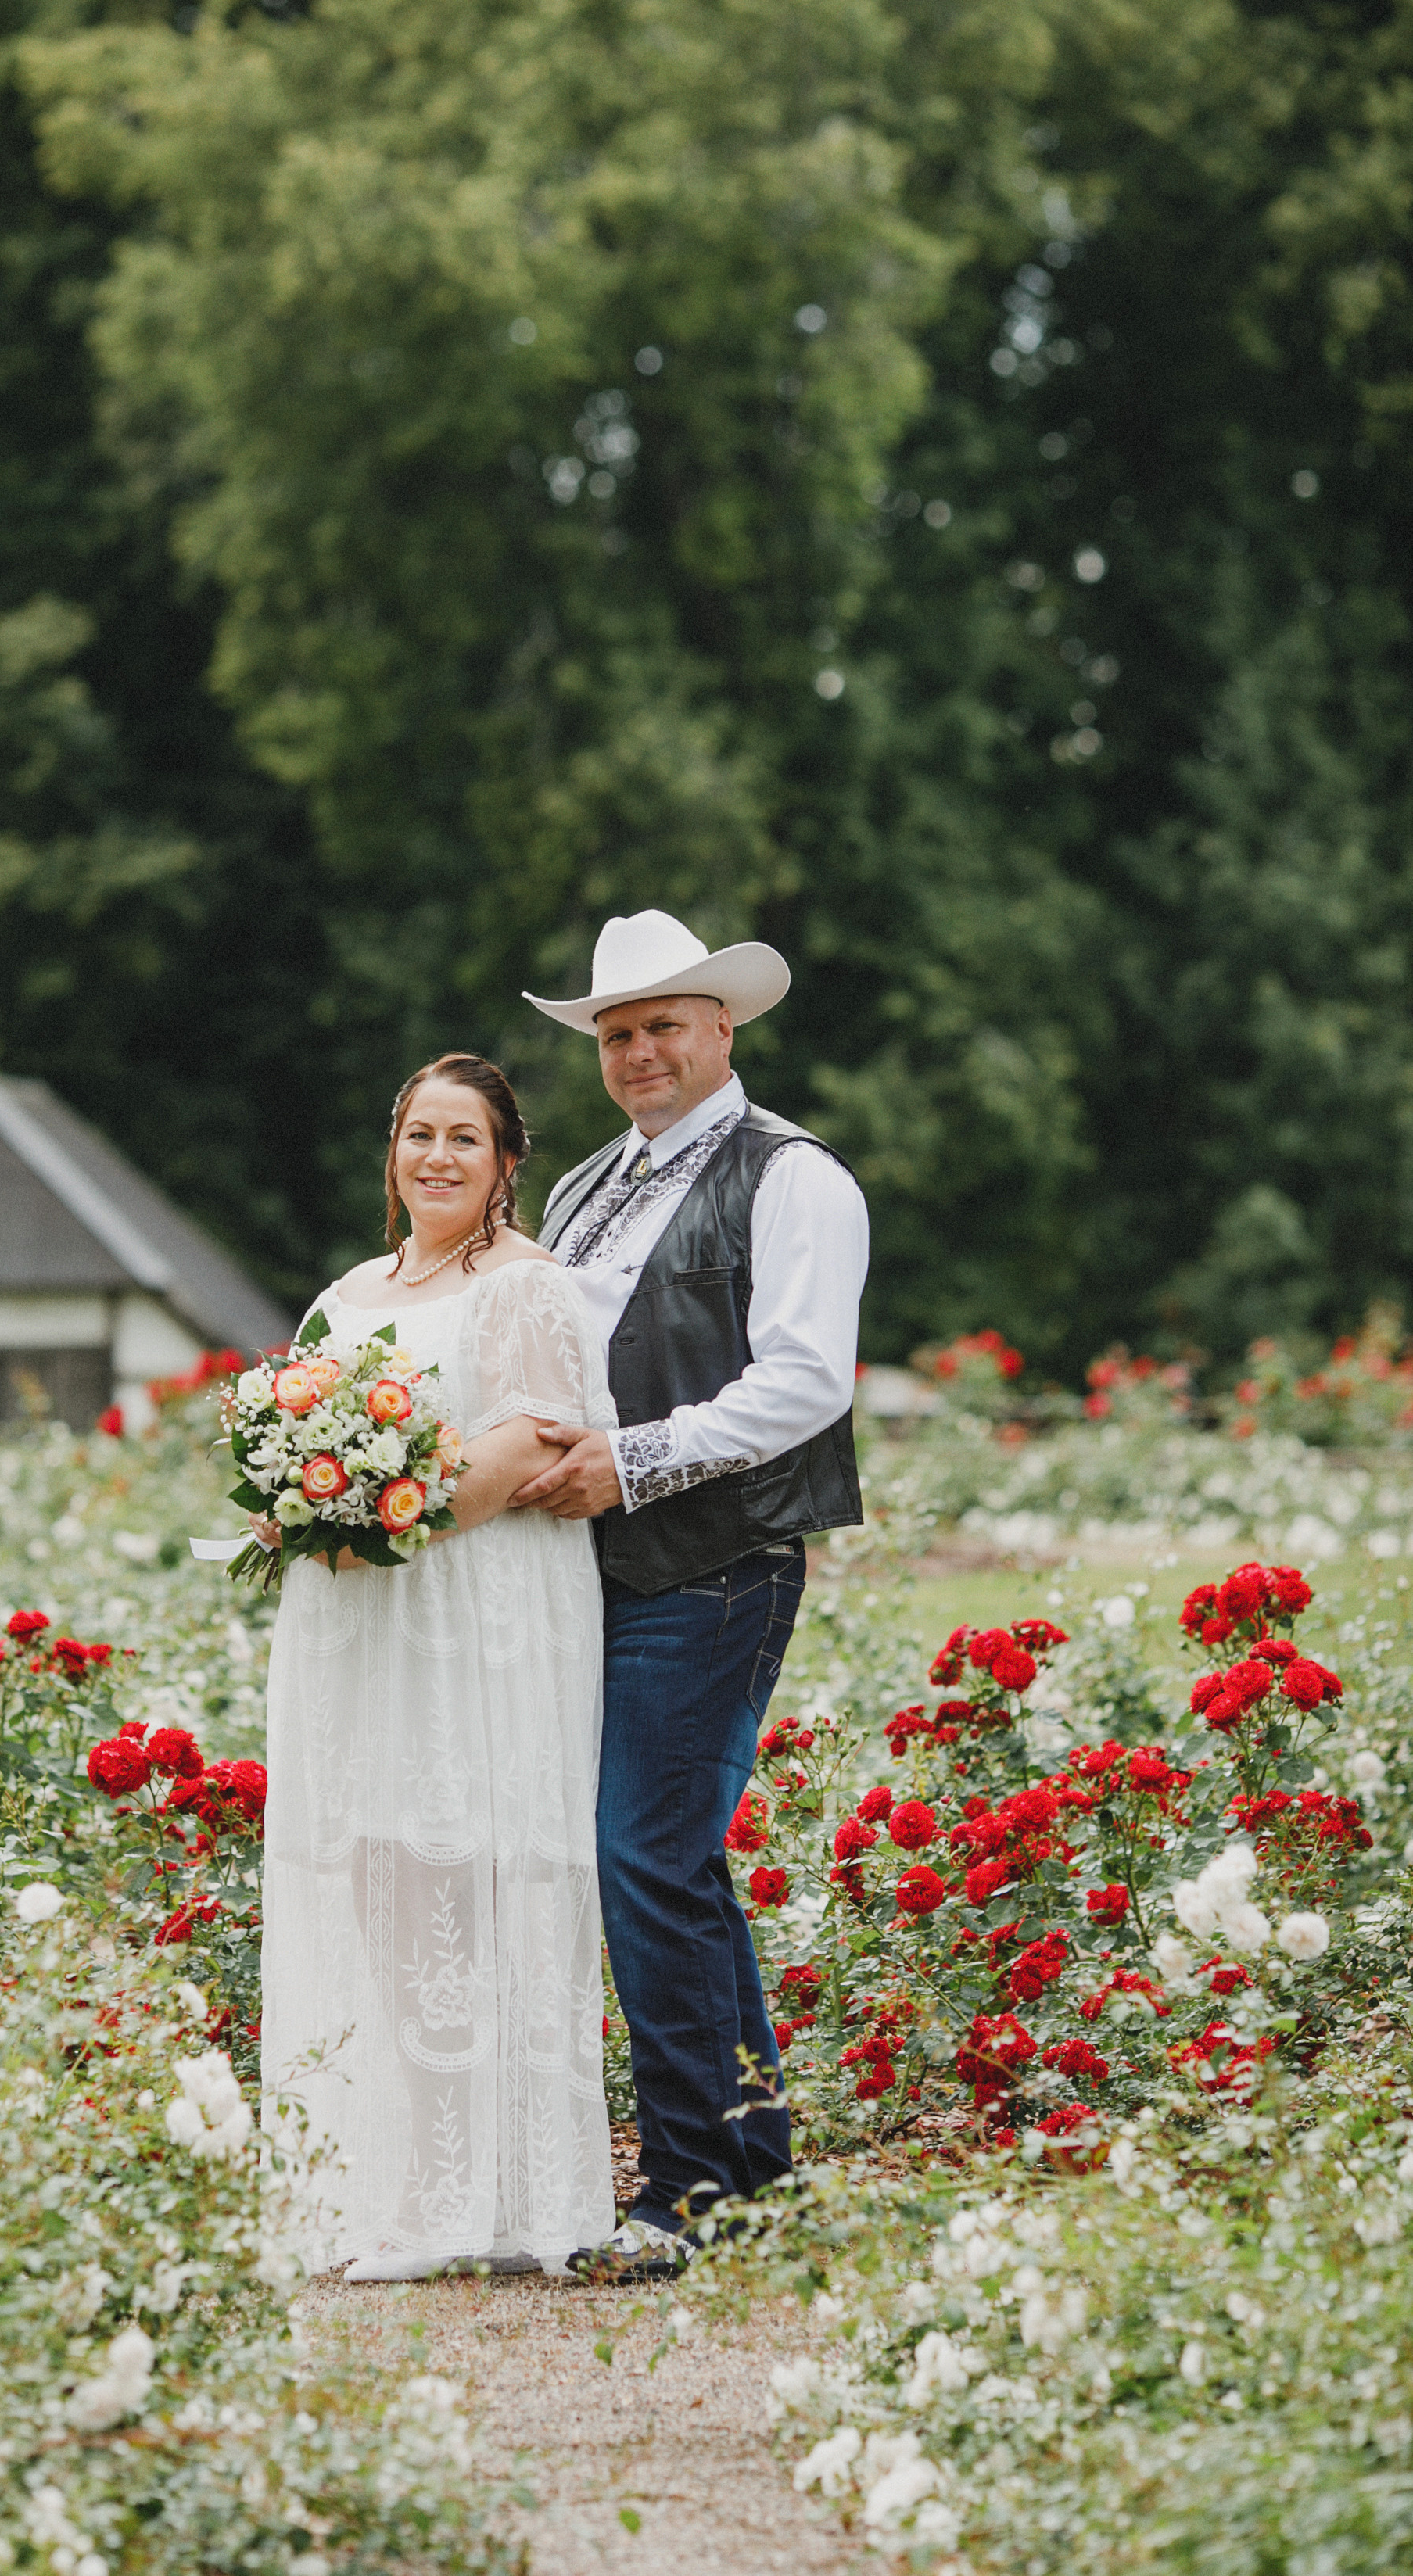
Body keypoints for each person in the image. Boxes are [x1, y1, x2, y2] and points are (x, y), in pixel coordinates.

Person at [516, 909, 870, 2279]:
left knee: (647, 1858)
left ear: (722, 1030)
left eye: (664, 1025)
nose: (639, 1052)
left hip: (719, 1563)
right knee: (664, 1862)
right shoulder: (581, 1188)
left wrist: (633, 1460)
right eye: (616, 1034)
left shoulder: (792, 1177)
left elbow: (804, 1382)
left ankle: (683, 2193)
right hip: (581, 1573)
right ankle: (747, 2171)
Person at [256, 1053, 617, 2281]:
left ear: (507, 1160)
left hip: (476, 1620)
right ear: (393, 1150)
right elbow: (291, 1431)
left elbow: (524, 1448)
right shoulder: (345, 1296)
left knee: (465, 1875)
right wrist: (293, 1508)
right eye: (419, 1134)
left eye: (466, 1138)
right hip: (359, 1628)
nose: (438, 1158)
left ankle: (474, 2202)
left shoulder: (527, 1288)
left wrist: (366, 1521)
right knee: (376, 1878)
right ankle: (395, 2177)